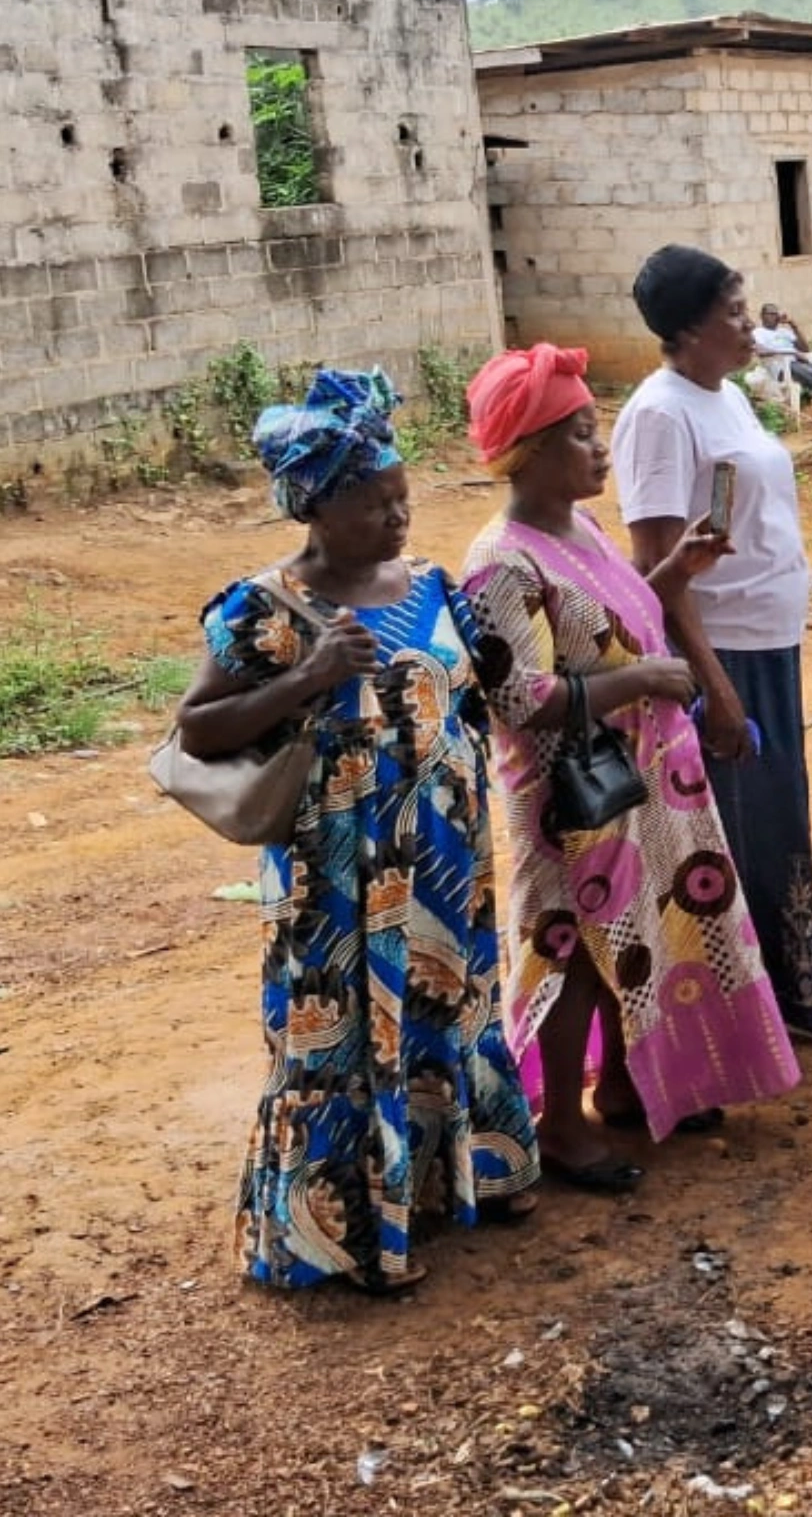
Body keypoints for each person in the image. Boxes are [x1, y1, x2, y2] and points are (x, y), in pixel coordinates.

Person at [176, 368, 538, 1290]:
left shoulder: (430, 583)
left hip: (446, 858)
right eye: (377, 503)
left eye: (403, 499)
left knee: (447, 1008)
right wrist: (307, 677)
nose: (398, 517)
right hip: (336, 869)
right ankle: (354, 1235)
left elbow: (471, 697)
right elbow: (198, 729)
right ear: (321, 508)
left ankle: (470, 1178)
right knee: (347, 1034)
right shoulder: (263, 609)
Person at [461, 343, 802, 1185]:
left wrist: (674, 571)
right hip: (570, 798)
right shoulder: (501, 562)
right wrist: (642, 680)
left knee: (639, 929)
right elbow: (517, 698)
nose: (599, 448)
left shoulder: (575, 529)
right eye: (580, 434)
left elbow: (611, 618)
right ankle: (560, 1130)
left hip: (641, 777)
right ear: (531, 452)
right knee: (572, 947)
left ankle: (622, 1086)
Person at [614, 245, 812, 1048]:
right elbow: (656, 568)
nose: (748, 321)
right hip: (720, 652)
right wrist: (713, 688)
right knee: (733, 837)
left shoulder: (723, 398)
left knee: (778, 823)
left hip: (768, 640)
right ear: (686, 328)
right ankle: (738, 1017)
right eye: (730, 311)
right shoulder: (661, 413)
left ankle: (783, 997)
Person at [746, 303, 812, 415]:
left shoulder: (785, 332)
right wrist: (792, 352)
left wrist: (793, 324)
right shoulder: (758, 333)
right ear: (762, 316)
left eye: (776, 314)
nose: (775, 317)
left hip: (800, 365)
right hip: (783, 369)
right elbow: (761, 352)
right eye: (771, 314)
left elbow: (805, 349)